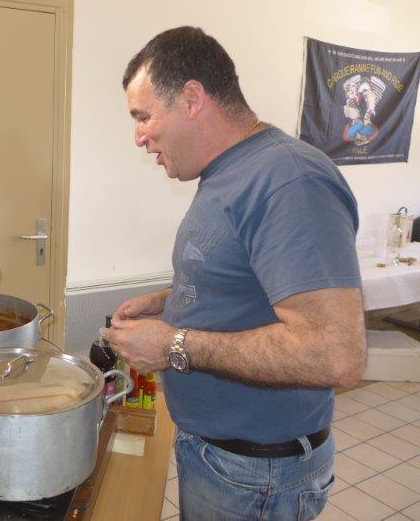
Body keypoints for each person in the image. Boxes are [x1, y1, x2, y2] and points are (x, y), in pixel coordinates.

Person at [106, 27, 366, 520]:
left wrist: (173, 345)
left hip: (256, 474)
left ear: (192, 98)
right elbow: (247, 275)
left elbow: (335, 354)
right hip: (217, 452)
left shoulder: (290, 180)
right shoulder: (227, 171)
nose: (138, 137)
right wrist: (170, 300)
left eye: (143, 117)